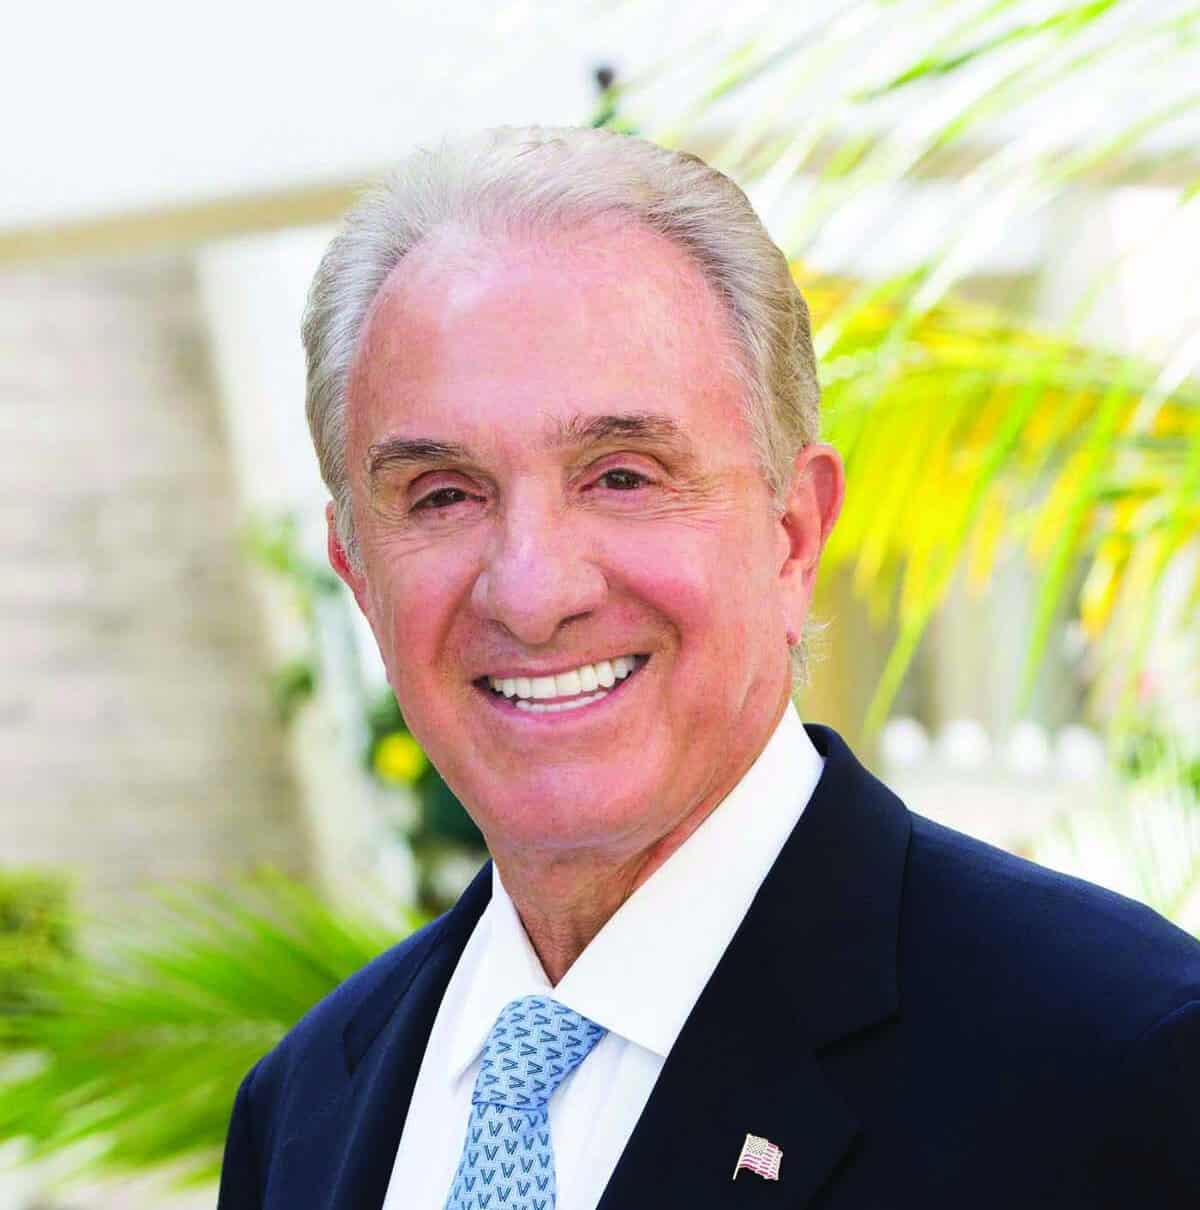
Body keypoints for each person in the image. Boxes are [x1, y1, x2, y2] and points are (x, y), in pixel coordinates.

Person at [217, 126, 1200, 1210]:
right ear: (357, 571)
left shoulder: (1122, 1066)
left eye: (622, 476)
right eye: (443, 494)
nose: (533, 590)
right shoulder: (302, 1109)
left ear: (793, 536)